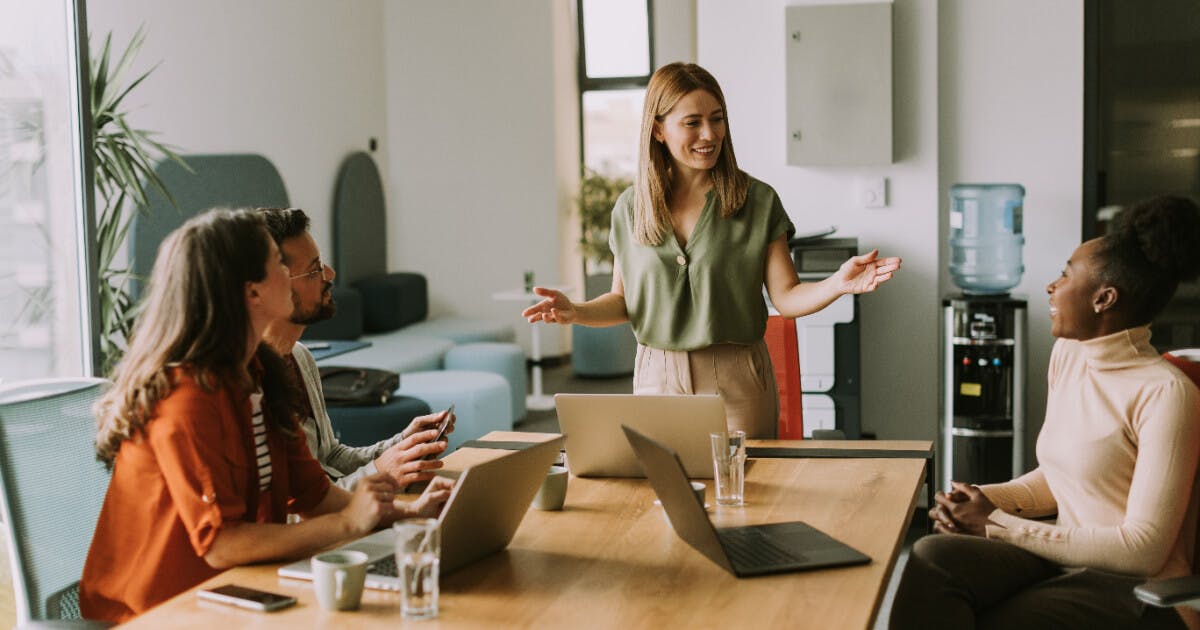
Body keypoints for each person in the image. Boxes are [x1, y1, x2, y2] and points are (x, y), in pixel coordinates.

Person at [80, 209, 452, 623]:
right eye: (278, 263)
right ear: (251, 293)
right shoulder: (185, 397)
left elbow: (316, 497)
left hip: (237, 589)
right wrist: (350, 524)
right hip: (155, 612)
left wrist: (408, 516)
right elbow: (221, 544)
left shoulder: (261, 372)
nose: (308, 273)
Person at [523, 62, 901, 437]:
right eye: (692, 122)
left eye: (717, 119)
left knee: (747, 492)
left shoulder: (757, 200)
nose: (709, 134)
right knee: (662, 494)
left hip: (736, 382)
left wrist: (837, 284)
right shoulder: (630, 208)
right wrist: (576, 312)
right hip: (656, 377)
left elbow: (786, 297)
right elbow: (624, 302)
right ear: (658, 129)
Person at [890, 196, 1200, 630]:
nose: (1051, 286)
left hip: (1138, 589)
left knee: (997, 620)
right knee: (932, 558)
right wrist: (981, 500)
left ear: (1104, 299)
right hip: (1067, 556)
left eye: (1065, 275)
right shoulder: (1069, 356)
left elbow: (1142, 549)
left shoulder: (1166, 393)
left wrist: (997, 525)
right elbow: (1060, 479)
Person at [258, 207, 452, 490]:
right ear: (275, 286)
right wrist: (379, 472)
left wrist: (400, 447)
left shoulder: (299, 357)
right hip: (323, 529)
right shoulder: (247, 385)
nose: (329, 274)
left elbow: (329, 458)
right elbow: (290, 515)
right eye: (314, 269)